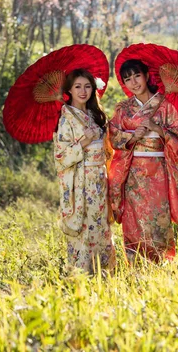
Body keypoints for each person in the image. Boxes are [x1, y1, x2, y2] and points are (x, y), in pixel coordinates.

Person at [108, 59, 178, 263]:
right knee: (133, 219)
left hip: (158, 172)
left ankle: (160, 263)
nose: (134, 82)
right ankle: (136, 264)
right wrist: (132, 137)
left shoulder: (165, 106)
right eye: (128, 79)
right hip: (133, 173)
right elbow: (113, 136)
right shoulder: (123, 109)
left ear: (146, 76)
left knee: (158, 219)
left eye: (137, 76)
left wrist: (158, 129)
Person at [53, 68, 116, 274]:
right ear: (69, 90)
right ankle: (81, 275)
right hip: (80, 183)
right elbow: (61, 158)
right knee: (84, 230)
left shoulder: (94, 114)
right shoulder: (65, 119)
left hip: (99, 179)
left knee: (100, 226)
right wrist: (86, 139)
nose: (83, 91)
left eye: (87, 86)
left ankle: (104, 273)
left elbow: (107, 150)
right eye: (78, 86)